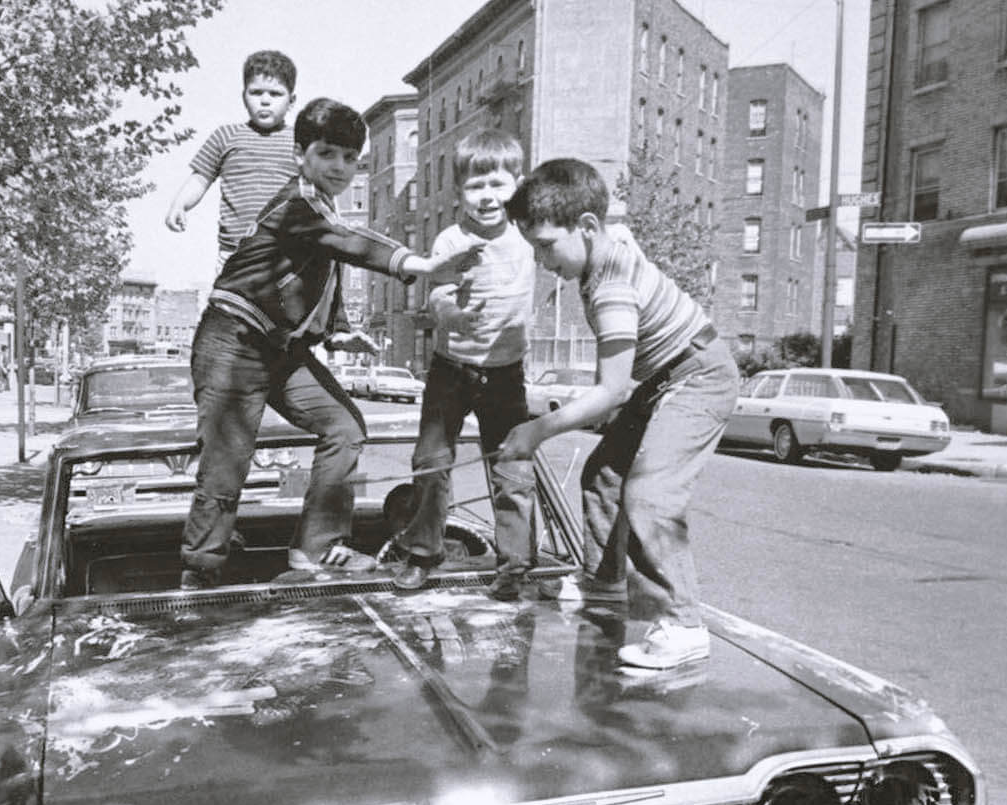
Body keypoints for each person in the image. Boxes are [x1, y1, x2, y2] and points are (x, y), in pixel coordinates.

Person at [179, 97, 482, 590]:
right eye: (327, 155)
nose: (340, 167)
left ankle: (316, 548)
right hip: (231, 344)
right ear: (300, 155)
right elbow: (347, 243)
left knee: (344, 427)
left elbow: (314, 277)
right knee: (226, 465)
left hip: (278, 351)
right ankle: (200, 572)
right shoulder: (296, 207)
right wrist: (419, 264)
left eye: (349, 158)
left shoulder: (320, 208)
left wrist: (339, 331)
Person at [496, 158, 739, 671]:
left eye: (545, 245)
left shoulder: (610, 286)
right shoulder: (607, 242)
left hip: (700, 376)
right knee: (603, 475)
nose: (542, 261)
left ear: (585, 227)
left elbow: (609, 391)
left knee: (650, 494)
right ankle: (605, 585)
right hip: (664, 377)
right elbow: (616, 223)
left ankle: (684, 623)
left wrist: (535, 432)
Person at [392, 129, 537, 601]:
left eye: (498, 184)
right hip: (451, 368)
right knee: (431, 462)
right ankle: (422, 553)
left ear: (518, 182)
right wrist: (451, 314)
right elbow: (437, 291)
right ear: (459, 193)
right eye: (475, 187)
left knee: (512, 466)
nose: (488, 196)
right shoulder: (453, 238)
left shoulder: (529, 235)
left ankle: (515, 563)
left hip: (506, 372)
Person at [165, 50, 300, 273]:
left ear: (291, 100)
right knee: (229, 307)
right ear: (244, 96)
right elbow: (200, 178)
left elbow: (319, 187)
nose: (265, 101)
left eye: (275, 94)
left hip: (286, 252)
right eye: (256, 92)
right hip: (234, 253)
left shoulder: (301, 141)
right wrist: (179, 205)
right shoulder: (226, 136)